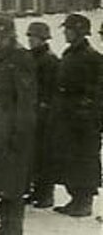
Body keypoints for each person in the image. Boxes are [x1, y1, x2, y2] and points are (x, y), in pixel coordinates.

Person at [0, 13, 36, 235]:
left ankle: (13, 228)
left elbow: (25, 98)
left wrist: (20, 131)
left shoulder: (20, 58)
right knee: (3, 178)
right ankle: (5, 225)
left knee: (13, 180)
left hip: (12, 127)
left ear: (5, 35)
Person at [51, 13, 103, 218]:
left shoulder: (92, 58)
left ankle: (85, 202)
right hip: (69, 116)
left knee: (85, 159)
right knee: (71, 159)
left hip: (84, 119)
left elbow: (98, 89)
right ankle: (76, 198)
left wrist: (88, 110)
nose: (65, 32)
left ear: (79, 32)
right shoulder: (70, 54)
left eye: (69, 29)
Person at [24, 21, 59, 209]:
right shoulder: (32, 57)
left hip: (44, 114)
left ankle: (46, 194)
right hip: (32, 111)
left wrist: (44, 107)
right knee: (33, 155)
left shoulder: (49, 60)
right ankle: (36, 191)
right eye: (29, 37)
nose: (31, 41)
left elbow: (50, 89)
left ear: (43, 39)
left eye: (34, 37)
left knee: (44, 155)